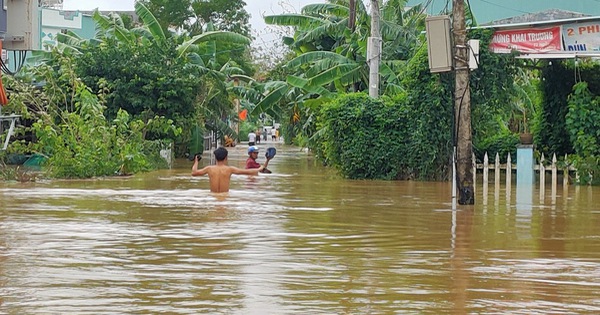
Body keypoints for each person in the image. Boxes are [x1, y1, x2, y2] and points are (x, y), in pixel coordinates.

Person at [192, 147, 265, 193]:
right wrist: (260, 168)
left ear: (215, 158)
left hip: (213, 197)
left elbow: (194, 173)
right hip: (225, 199)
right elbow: (248, 172)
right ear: (226, 158)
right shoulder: (229, 169)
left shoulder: (209, 169)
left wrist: (196, 162)